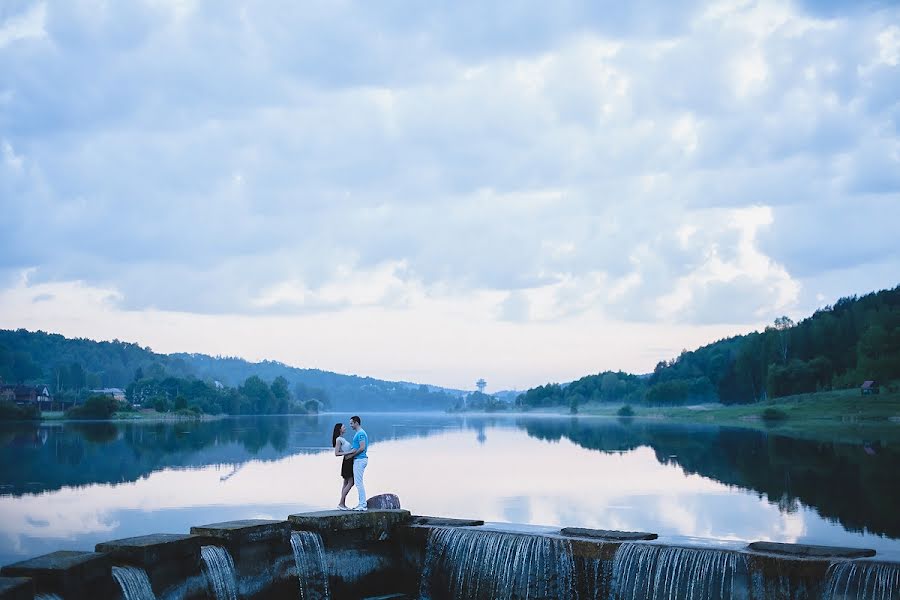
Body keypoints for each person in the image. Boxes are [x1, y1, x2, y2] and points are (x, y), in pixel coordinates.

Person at [345, 415, 369, 511]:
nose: (350, 425)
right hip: (358, 460)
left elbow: (362, 447)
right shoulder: (359, 433)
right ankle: (361, 504)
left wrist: (351, 455)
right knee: (359, 483)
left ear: (356, 423)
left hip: (360, 460)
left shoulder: (361, 433)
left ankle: (363, 505)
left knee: (359, 483)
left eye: (351, 423)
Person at [331, 422, 355, 510]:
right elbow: (336, 453)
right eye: (343, 427)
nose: (345, 428)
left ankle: (342, 504)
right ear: (339, 429)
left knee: (345, 483)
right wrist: (350, 452)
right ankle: (341, 503)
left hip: (348, 460)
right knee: (351, 482)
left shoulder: (341, 439)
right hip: (347, 461)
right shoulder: (338, 439)